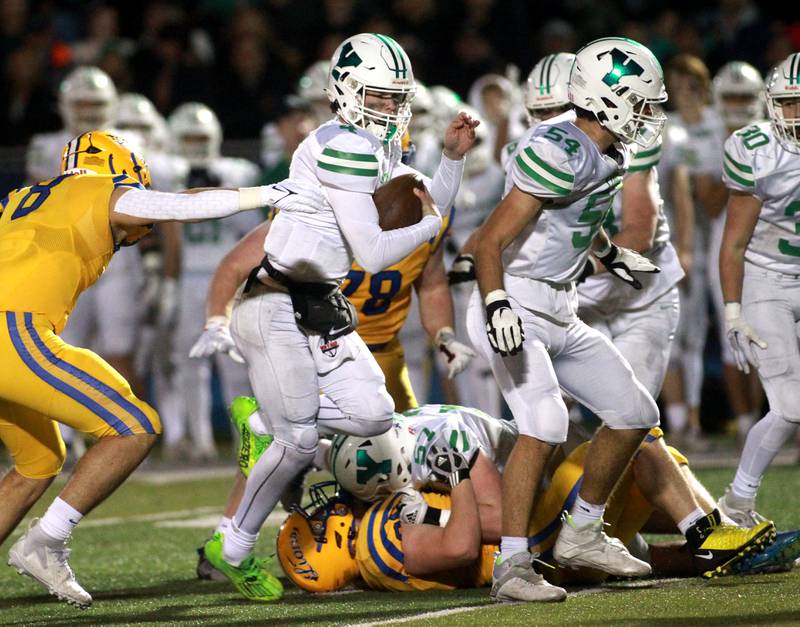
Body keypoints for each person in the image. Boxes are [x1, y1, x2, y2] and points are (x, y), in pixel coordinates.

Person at [195, 33, 476, 603]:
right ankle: (235, 547)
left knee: (374, 418)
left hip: (319, 303)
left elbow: (432, 209)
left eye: (398, 98)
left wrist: (451, 159)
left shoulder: (372, 149)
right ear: (347, 93)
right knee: (297, 440)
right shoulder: (343, 145)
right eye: (380, 96)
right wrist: (426, 227)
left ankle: (262, 426)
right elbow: (374, 251)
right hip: (274, 300)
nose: (393, 110)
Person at [0, 131, 318, 607]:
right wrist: (267, 194)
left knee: (39, 462)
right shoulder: (92, 188)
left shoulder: (21, 198)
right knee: (136, 426)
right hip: (14, 329)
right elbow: (179, 205)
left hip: (14, 327)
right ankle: (45, 541)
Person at [470, 37, 667, 603]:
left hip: (559, 302)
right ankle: (510, 566)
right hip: (513, 296)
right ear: (608, 99)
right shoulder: (558, 147)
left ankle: (581, 532)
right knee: (545, 420)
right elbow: (489, 242)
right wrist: (495, 303)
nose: (648, 114)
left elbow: (574, 219)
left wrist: (606, 254)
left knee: (633, 412)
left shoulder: (605, 149)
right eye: (642, 102)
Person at [276, 410, 781, 594]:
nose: (328, 512)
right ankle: (713, 530)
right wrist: (461, 474)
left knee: (645, 540)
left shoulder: (373, 510)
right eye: (321, 528)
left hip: (539, 533)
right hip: (535, 539)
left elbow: (337, 461)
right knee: (632, 438)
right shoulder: (380, 538)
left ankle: (723, 547)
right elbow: (467, 538)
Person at [716, 53, 800, 527]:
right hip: (767, 277)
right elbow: (733, 244)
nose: (796, 115)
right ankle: (737, 503)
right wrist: (733, 311)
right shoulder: (757, 149)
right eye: (789, 103)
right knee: (789, 408)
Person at [156, 102, 261, 461]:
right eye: (188, 137)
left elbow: (252, 230)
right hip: (189, 278)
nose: (196, 144)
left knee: (234, 365)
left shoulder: (236, 173)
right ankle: (199, 440)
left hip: (228, 276)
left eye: (201, 137)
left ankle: (242, 438)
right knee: (189, 364)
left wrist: (225, 197)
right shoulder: (168, 173)